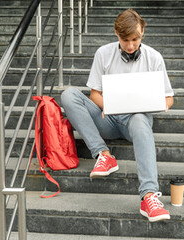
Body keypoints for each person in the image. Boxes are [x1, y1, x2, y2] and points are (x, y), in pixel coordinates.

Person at [60, 9, 173, 222]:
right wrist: (110, 105)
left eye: (135, 39)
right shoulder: (103, 53)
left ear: (142, 33)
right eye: (125, 40)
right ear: (115, 33)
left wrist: (160, 104)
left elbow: (169, 98)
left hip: (135, 122)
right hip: (108, 119)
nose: (130, 46)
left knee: (139, 118)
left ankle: (149, 196)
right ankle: (104, 155)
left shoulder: (154, 57)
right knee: (69, 95)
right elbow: (95, 95)